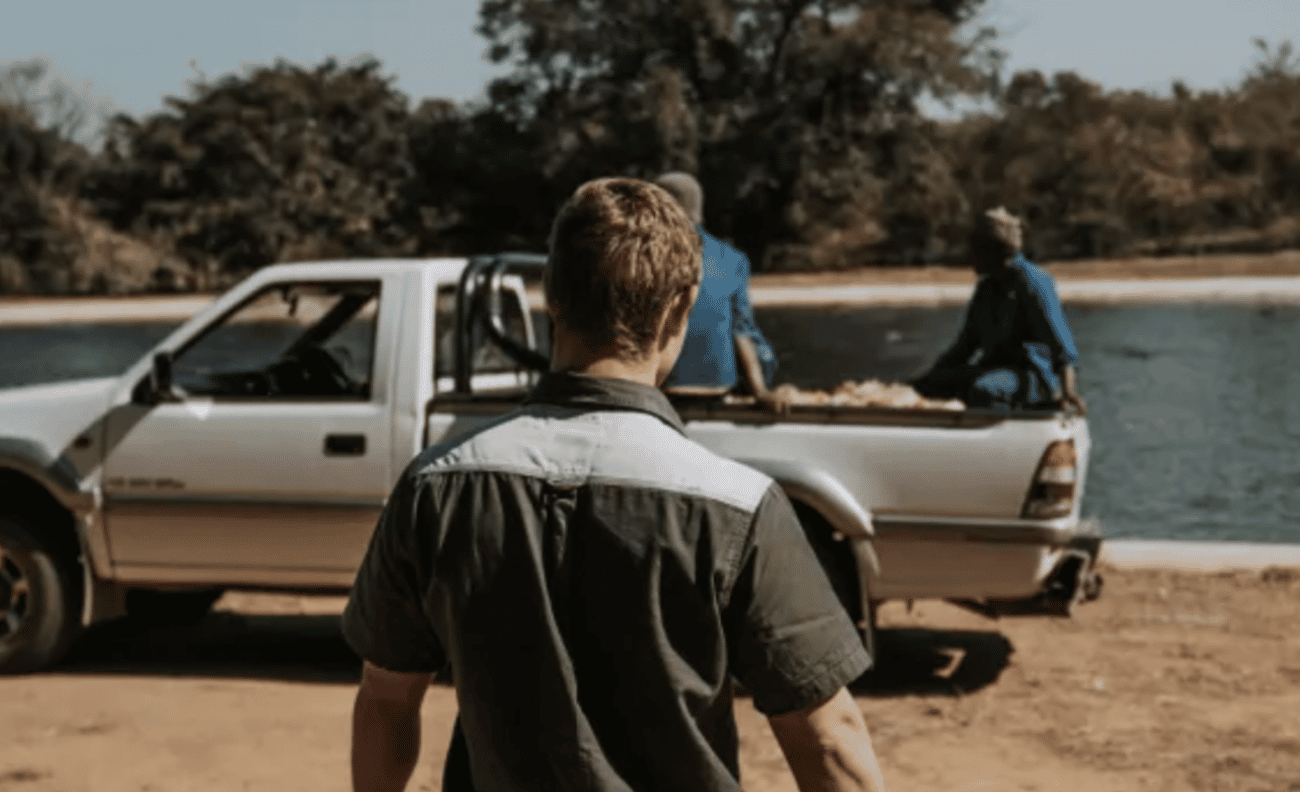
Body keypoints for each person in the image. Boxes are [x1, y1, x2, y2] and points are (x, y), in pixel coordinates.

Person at [344, 177, 886, 792]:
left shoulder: (435, 487)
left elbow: (386, 702)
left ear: (552, 295)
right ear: (679, 309)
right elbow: (831, 739)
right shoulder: (739, 507)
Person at [912, 207, 1087, 415]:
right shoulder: (986, 288)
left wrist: (1068, 393)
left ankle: (995, 437)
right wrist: (923, 382)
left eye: (976, 248)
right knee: (929, 386)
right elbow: (964, 347)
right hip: (993, 369)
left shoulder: (1033, 282)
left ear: (995, 248)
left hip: (1032, 377)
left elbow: (1063, 348)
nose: (970, 255)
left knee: (985, 389)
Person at [652, 171, 784, 408]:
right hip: (716, 388)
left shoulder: (647, 257)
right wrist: (761, 392)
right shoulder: (732, 259)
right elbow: (741, 331)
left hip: (663, 389)